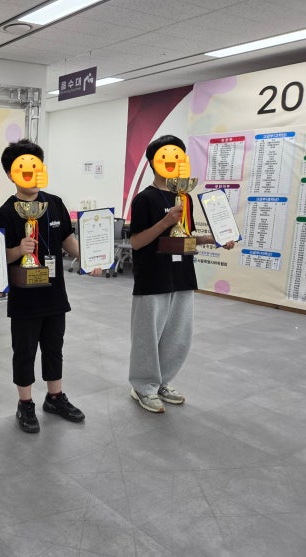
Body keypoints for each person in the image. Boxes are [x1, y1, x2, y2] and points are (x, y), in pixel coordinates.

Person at [0, 139, 101, 434]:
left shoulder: (54, 203)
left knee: (54, 348)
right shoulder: (5, 213)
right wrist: (19, 250)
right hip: (24, 299)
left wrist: (88, 260)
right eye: (23, 167)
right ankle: (25, 403)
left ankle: (55, 397)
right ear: (11, 174)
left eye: (36, 165)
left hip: (54, 294)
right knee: (24, 351)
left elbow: (67, 239)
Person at [128, 135, 235, 413]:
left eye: (178, 156)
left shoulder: (185, 197)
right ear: (153, 162)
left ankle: (162, 382)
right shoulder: (144, 199)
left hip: (182, 275)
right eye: (166, 156)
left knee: (178, 336)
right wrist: (166, 220)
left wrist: (213, 238)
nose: (173, 162)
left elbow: (185, 236)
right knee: (147, 337)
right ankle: (143, 387)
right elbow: (136, 242)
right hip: (153, 278)